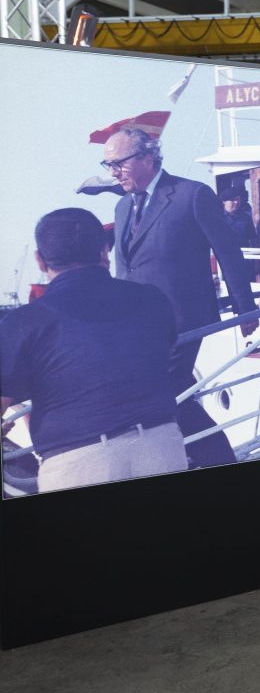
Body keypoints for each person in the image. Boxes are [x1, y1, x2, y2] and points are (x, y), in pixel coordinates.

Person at [0, 208, 187, 492]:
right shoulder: (152, 299)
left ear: (39, 260)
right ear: (103, 251)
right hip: (161, 447)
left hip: (77, 464)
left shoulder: (23, 322)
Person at [106, 126, 257, 470]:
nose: (113, 173)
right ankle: (200, 459)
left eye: (119, 164)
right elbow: (124, 269)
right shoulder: (122, 207)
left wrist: (245, 308)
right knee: (175, 393)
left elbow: (229, 253)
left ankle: (216, 460)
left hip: (182, 321)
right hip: (138, 327)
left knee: (164, 391)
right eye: (108, 165)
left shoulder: (192, 195)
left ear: (147, 157)